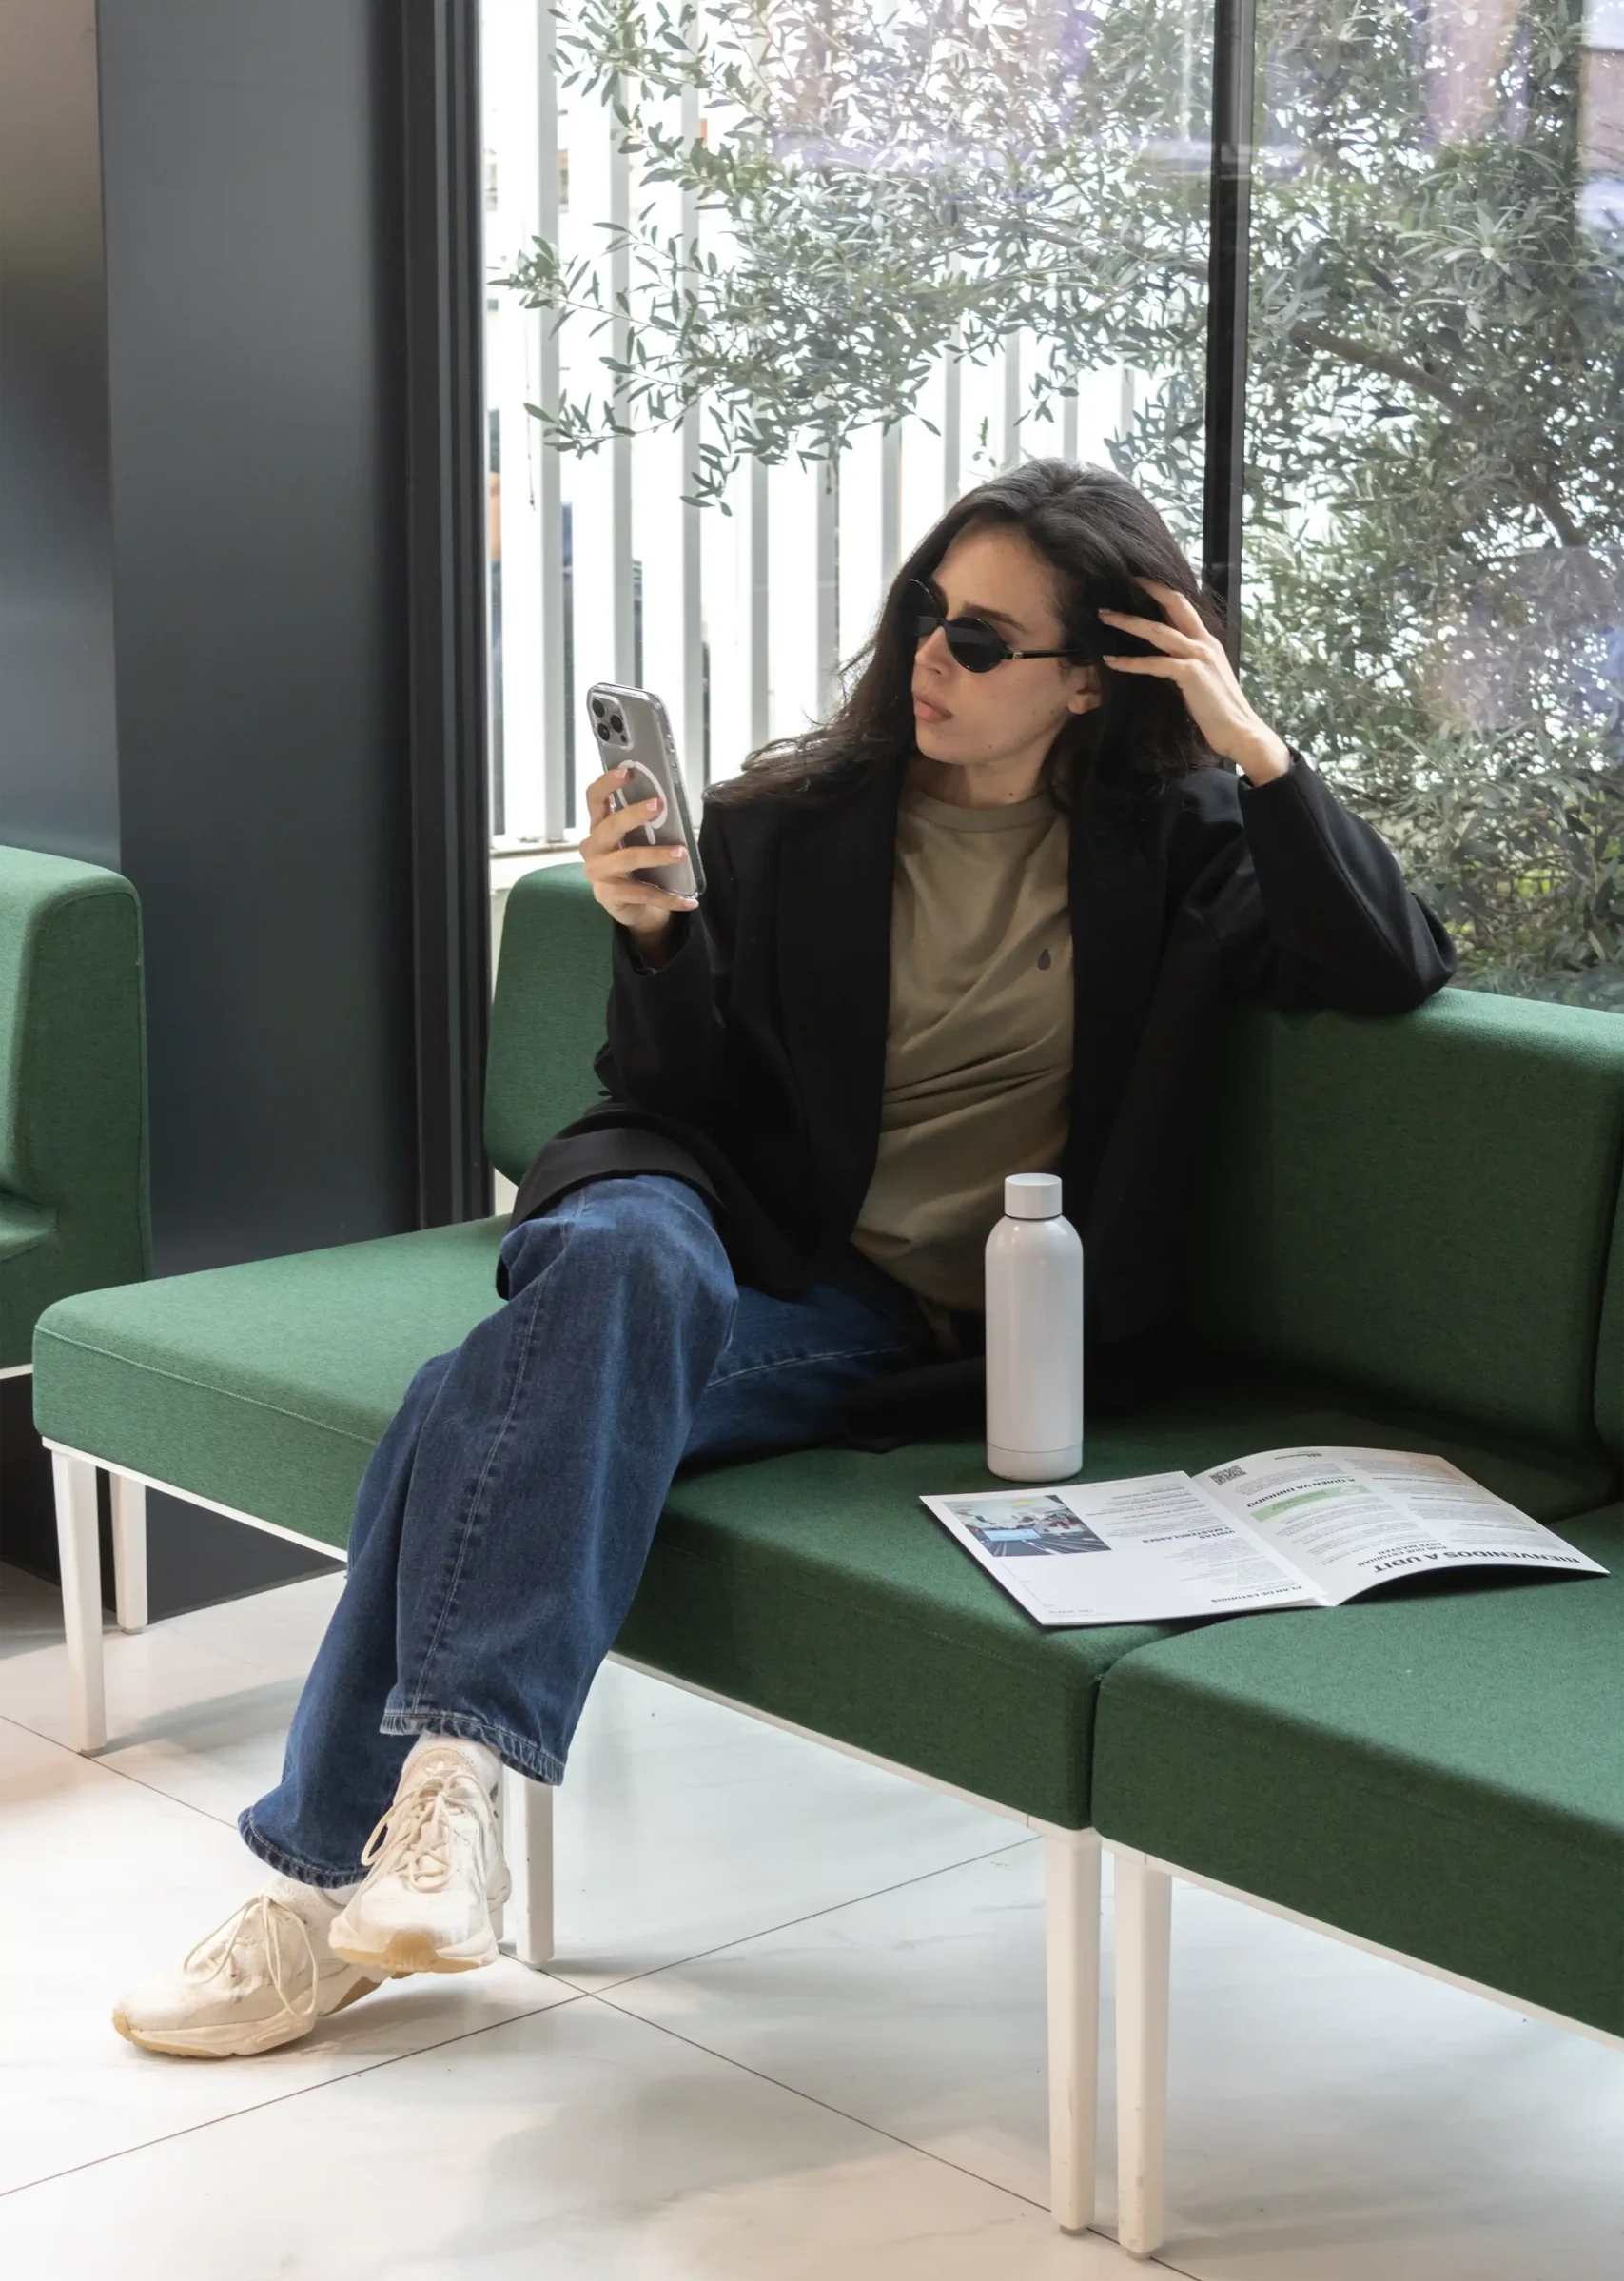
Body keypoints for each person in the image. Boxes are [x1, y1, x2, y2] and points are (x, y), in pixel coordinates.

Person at [114, 460, 1454, 2057]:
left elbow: (1386, 963)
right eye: (916, 620)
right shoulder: (781, 820)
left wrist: (1253, 745)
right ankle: (446, 1803)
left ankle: (316, 1885)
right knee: (618, 1264)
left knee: (474, 1395)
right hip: (715, 1222)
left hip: (900, 1312)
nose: (925, 664)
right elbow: (670, 1099)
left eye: (977, 639)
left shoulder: (1184, 849)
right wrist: (659, 938)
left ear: (1094, 679)